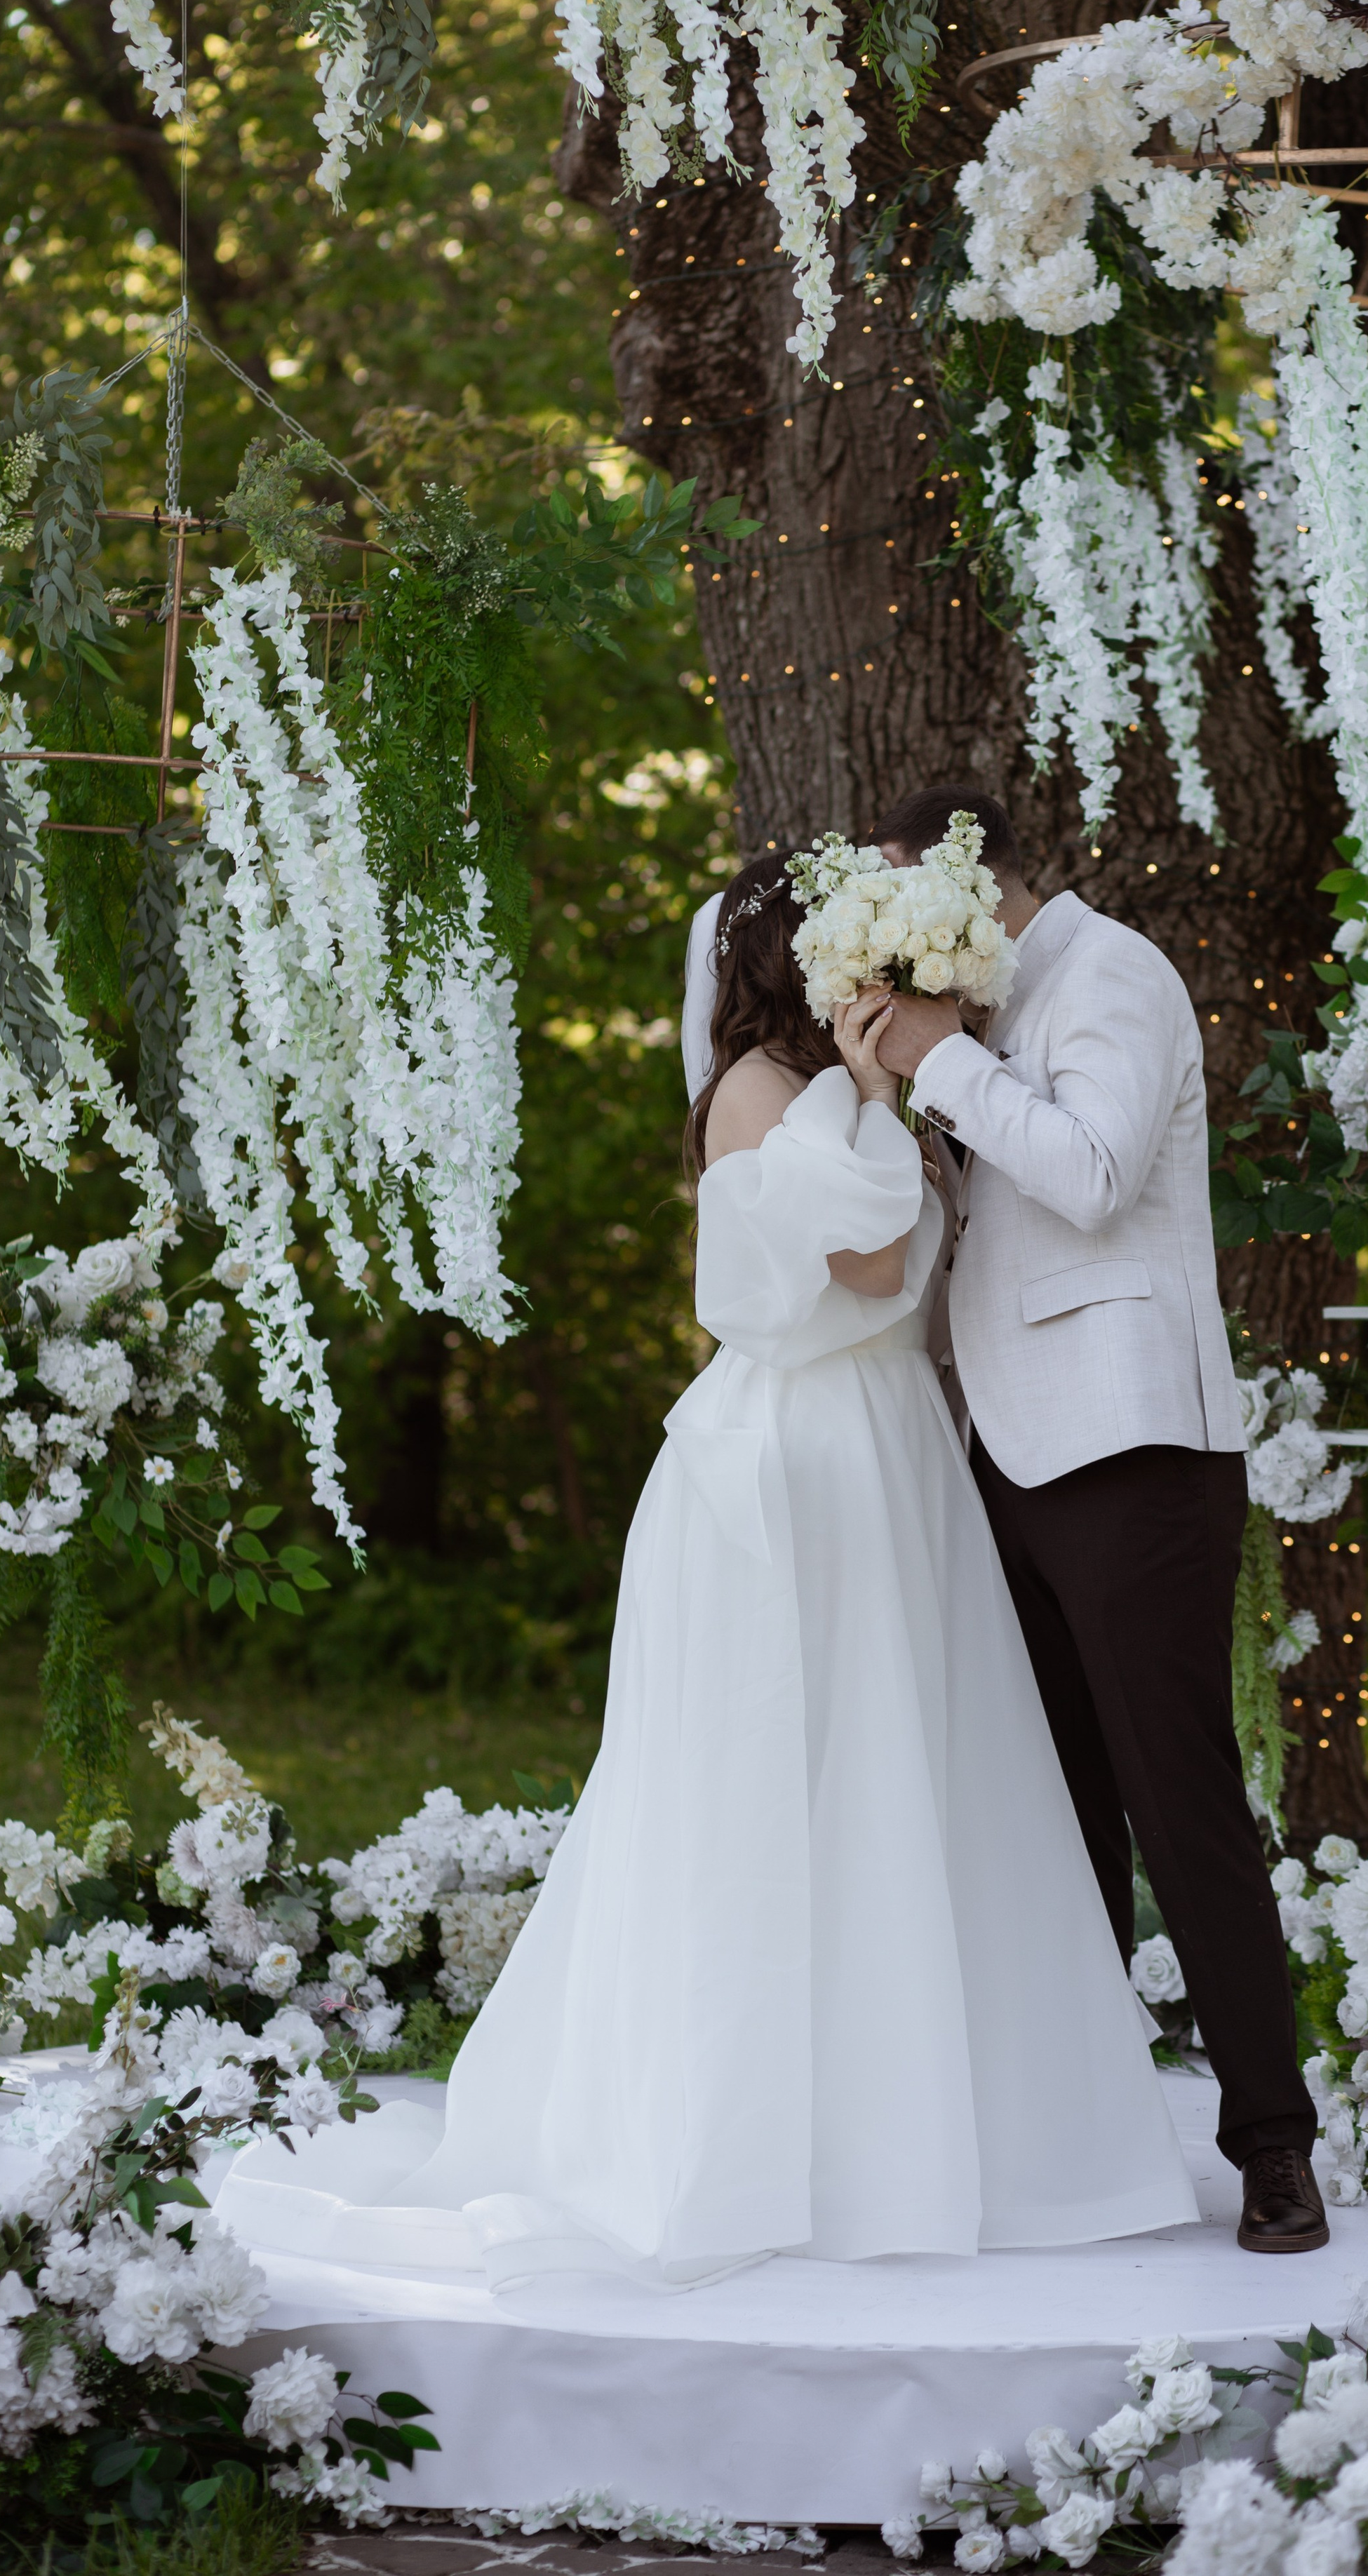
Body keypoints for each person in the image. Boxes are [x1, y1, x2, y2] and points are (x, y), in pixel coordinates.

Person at [217, 850, 1198, 2288]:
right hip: (789, 1458)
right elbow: (865, 1271)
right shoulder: (760, 1091)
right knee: (771, 1780)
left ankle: (910, 2125)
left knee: (901, 1776)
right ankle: (746, 2138)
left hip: (885, 1450)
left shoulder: (837, 1091)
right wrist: (879, 1097)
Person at [866, 786, 1326, 2255]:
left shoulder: (1107, 971)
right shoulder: (979, 1028)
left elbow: (1091, 1173)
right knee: (1053, 1814)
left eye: (901, 913)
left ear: (972, 883)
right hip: (1002, 1453)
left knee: (1174, 1803)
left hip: (1131, 1449)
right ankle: (1082, 2147)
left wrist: (938, 1068)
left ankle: (1272, 2147)